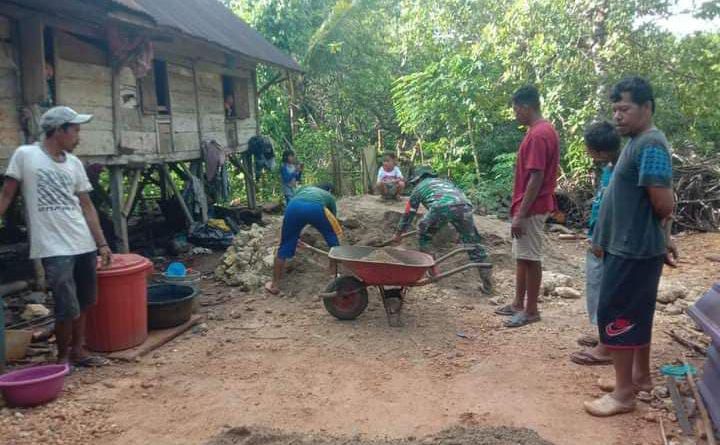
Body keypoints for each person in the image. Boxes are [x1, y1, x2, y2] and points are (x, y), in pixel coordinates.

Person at [584, 77, 677, 417]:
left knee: (618, 315)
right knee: (635, 314)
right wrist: (662, 237)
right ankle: (639, 377)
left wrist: (658, 233)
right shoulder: (640, 142)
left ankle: (624, 394)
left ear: (647, 107)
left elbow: (663, 203)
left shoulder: (650, 145)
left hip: (632, 250)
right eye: (615, 110)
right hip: (633, 247)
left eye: (625, 109)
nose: (618, 116)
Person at [0, 106, 113, 367]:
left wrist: (102, 243)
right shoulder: (25, 155)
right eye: (75, 130)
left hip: (82, 242)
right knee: (66, 305)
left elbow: (86, 206)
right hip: (52, 246)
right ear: (58, 131)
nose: (78, 137)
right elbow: (7, 194)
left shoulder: (74, 164)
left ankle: (79, 352)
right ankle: (62, 357)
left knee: (84, 301)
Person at [495, 85, 560, 328]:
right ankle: (517, 303)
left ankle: (531, 310)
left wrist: (521, 214)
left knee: (530, 258)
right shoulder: (542, 130)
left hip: (532, 207)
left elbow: (536, 177)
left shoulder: (538, 135)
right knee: (522, 257)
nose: (514, 114)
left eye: (515, 108)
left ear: (525, 106)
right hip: (529, 205)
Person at [393, 166, 492, 294]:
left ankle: (433, 273)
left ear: (418, 179)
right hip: (465, 206)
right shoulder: (446, 182)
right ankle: (487, 285)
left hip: (440, 208)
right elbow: (454, 200)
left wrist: (398, 233)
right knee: (473, 244)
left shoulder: (418, 188)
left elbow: (409, 213)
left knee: (423, 236)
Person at [569, 121, 621, 366]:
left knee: (604, 290)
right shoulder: (611, 168)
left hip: (608, 240)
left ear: (599, 151)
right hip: (601, 236)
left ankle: (608, 345)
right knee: (596, 286)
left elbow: (611, 210)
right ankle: (604, 334)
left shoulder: (619, 171)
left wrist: (600, 238)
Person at [264, 184, 341, 294]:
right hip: (316, 208)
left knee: (284, 247)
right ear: (328, 191)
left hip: (293, 207)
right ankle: (333, 275)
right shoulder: (329, 197)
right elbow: (333, 221)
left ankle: (274, 285)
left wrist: (294, 237)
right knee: (333, 241)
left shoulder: (303, 188)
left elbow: (300, 211)